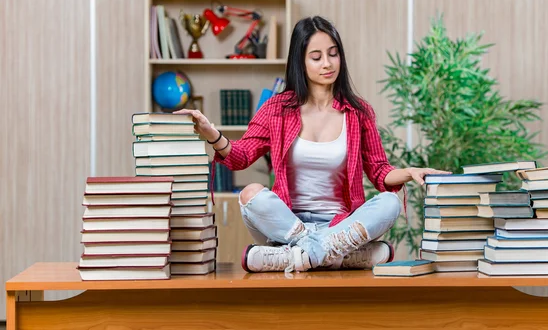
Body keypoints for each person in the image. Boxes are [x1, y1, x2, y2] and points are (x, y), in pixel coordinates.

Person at [175, 16, 449, 273]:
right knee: (250, 194)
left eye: (333, 54)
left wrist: (411, 172)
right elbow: (241, 156)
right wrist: (212, 133)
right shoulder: (277, 109)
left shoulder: (358, 112)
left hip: (340, 224)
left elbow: (379, 171)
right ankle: (331, 254)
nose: (327, 63)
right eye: (316, 57)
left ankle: (294, 256)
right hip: (286, 221)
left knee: (389, 202)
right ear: (301, 62)